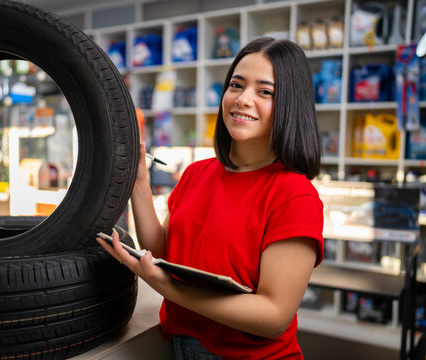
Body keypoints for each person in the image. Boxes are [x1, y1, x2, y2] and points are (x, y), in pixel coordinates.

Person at [97, 37, 324, 360]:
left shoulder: (294, 195)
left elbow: (274, 317)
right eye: (236, 85)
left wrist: (169, 288)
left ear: (291, 104)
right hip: (181, 349)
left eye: (265, 91)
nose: (243, 99)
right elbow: (163, 253)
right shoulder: (197, 173)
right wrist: (138, 182)